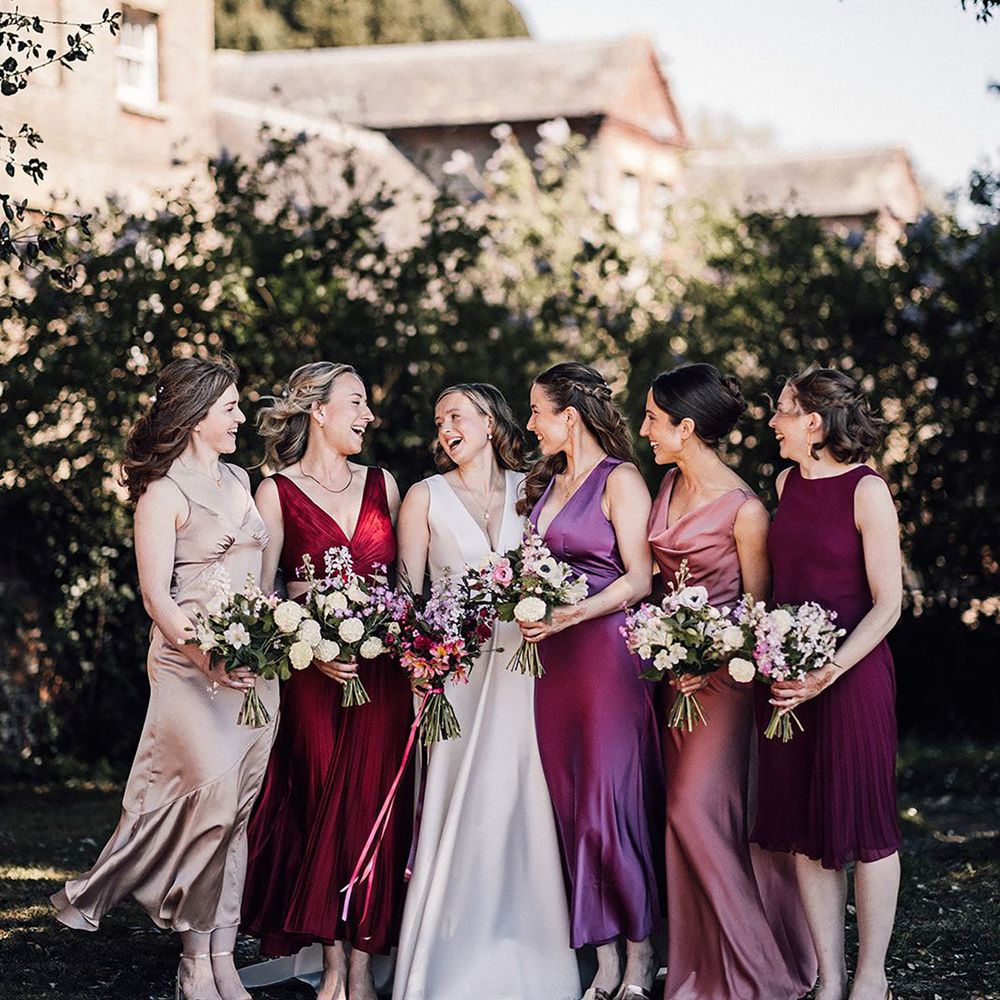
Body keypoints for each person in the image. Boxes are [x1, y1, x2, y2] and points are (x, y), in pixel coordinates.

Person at [52, 356, 277, 1000]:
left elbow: (259, 580)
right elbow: (158, 597)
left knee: (236, 813)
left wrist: (275, 637)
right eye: (231, 407)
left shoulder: (240, 478)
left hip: (256, 670)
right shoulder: (162, 491)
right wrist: (210, 654)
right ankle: (191, 961)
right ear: (197, 413)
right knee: (205, 804)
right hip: (191, 669)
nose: (240, 418)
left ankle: (222, 957)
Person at [392, 383, 579, 1000]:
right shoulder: (424, 496)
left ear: (491, 422)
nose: (445, 426)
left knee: (519, 794)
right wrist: (421, 665)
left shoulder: (535, 491)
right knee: (455, 799)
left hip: (524, 670)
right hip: (456, 676)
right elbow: (405, 597)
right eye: (438, 418)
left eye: (457, 414)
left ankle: (526, 948)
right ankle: (447, 956)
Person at [640, 363, 816, 1000]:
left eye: (654, 419)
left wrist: (706, 658)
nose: (645, 430)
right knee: (679, 815)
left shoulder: (745, 510)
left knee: (697, 812)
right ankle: (701, 968)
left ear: (686, 428)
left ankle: (760, 970)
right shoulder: (665, 485)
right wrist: (666, 650)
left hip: (723, 687)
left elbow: (758, 612)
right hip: (672, 680)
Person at [240, 362, 413, 1000]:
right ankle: (332, 964)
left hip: (382, 677)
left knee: (372, 811)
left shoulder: (384, 484)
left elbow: (402, 589)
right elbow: (263, 597)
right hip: (313, 678)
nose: (368, 415)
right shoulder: (275, 491)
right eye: (357, 402)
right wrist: (309, 654)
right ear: (318, 409)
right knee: (319, 804)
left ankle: (363, 968)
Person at [754, 368, 902, 1000]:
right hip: (786, 680)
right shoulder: (786, 484)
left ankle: (871, 976)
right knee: (805, 829)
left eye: (782, 411)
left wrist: (829, 670)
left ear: (813, 422)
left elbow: (889, 603)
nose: (772, 422)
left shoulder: (867, 491)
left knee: (867, 828)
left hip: (853, 676)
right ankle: (829, 975)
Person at [520, 362, 662, 1000]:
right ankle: (602, 957)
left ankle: (639, 952)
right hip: (553, 664)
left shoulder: (621, 480)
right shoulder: (547, 483)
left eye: (536, 412)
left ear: (568, 417)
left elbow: (639, 578)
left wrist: (576, 611)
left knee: (612, 804)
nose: (529, 425)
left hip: (607, 655)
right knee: (573, 804)